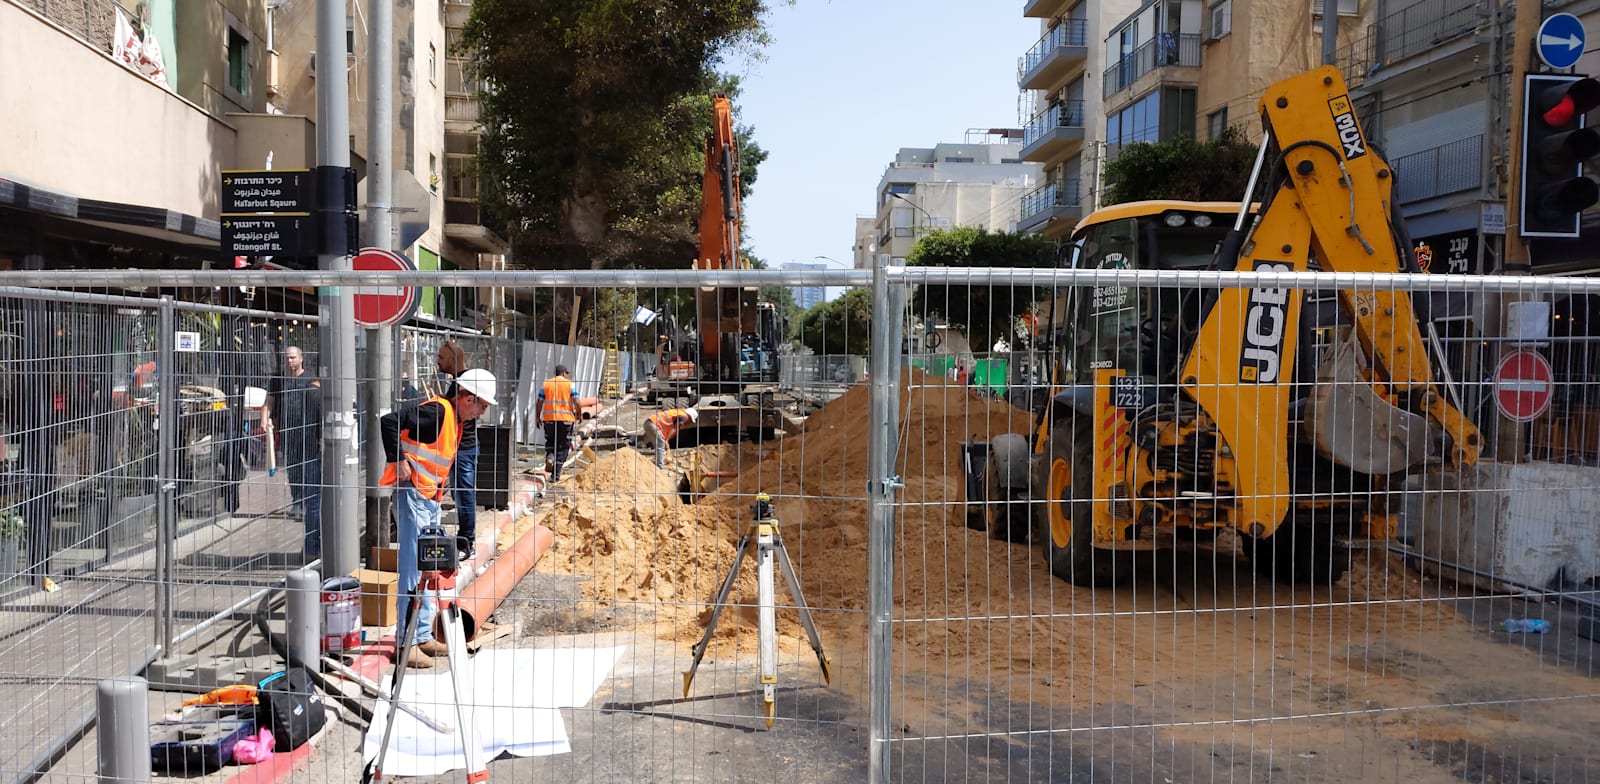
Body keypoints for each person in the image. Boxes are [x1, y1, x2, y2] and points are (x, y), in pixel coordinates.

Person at [379, 368, 497, 668]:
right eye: (482, 405)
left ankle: (421, 635)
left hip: (427, 498)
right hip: (414, 497)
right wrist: (398, 460)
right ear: (467, 398)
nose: (481, 412)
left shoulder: (452, 419)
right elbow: (389, 421)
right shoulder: (437, 412)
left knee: (428, 567)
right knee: (412, 571)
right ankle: (406, 643)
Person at [267, 345, 321, 558]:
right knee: (294, 471)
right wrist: (267, 420)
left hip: (310, 440)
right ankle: (298, 501)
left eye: (293, 358)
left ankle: (311, 542)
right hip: (289, 434)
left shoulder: (311, 381)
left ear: (301, 358)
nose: (289, 361)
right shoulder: (279, 380)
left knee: (311, 485)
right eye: (287, 358)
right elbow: (270, 401)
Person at [435, 341, 479, 562]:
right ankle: (465, 538)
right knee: (460, 494)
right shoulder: (459, 381)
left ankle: (466, 541)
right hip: (458, 446)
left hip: (464, 447)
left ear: (452, 360)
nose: (437, 361)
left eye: (441, 357)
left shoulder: (465, 382)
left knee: (464, 494)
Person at [536, 365, 577, 483]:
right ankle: (555, 474)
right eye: (566, 373)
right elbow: (576, 400)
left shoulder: (546, 384)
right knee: (563, 446)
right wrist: (578, 414)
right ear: (563, 373)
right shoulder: (570, 384)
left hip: (549, 419)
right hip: (566, 420)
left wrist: (538, 417)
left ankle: (550, 456)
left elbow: (540, 401)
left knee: (550, 442)